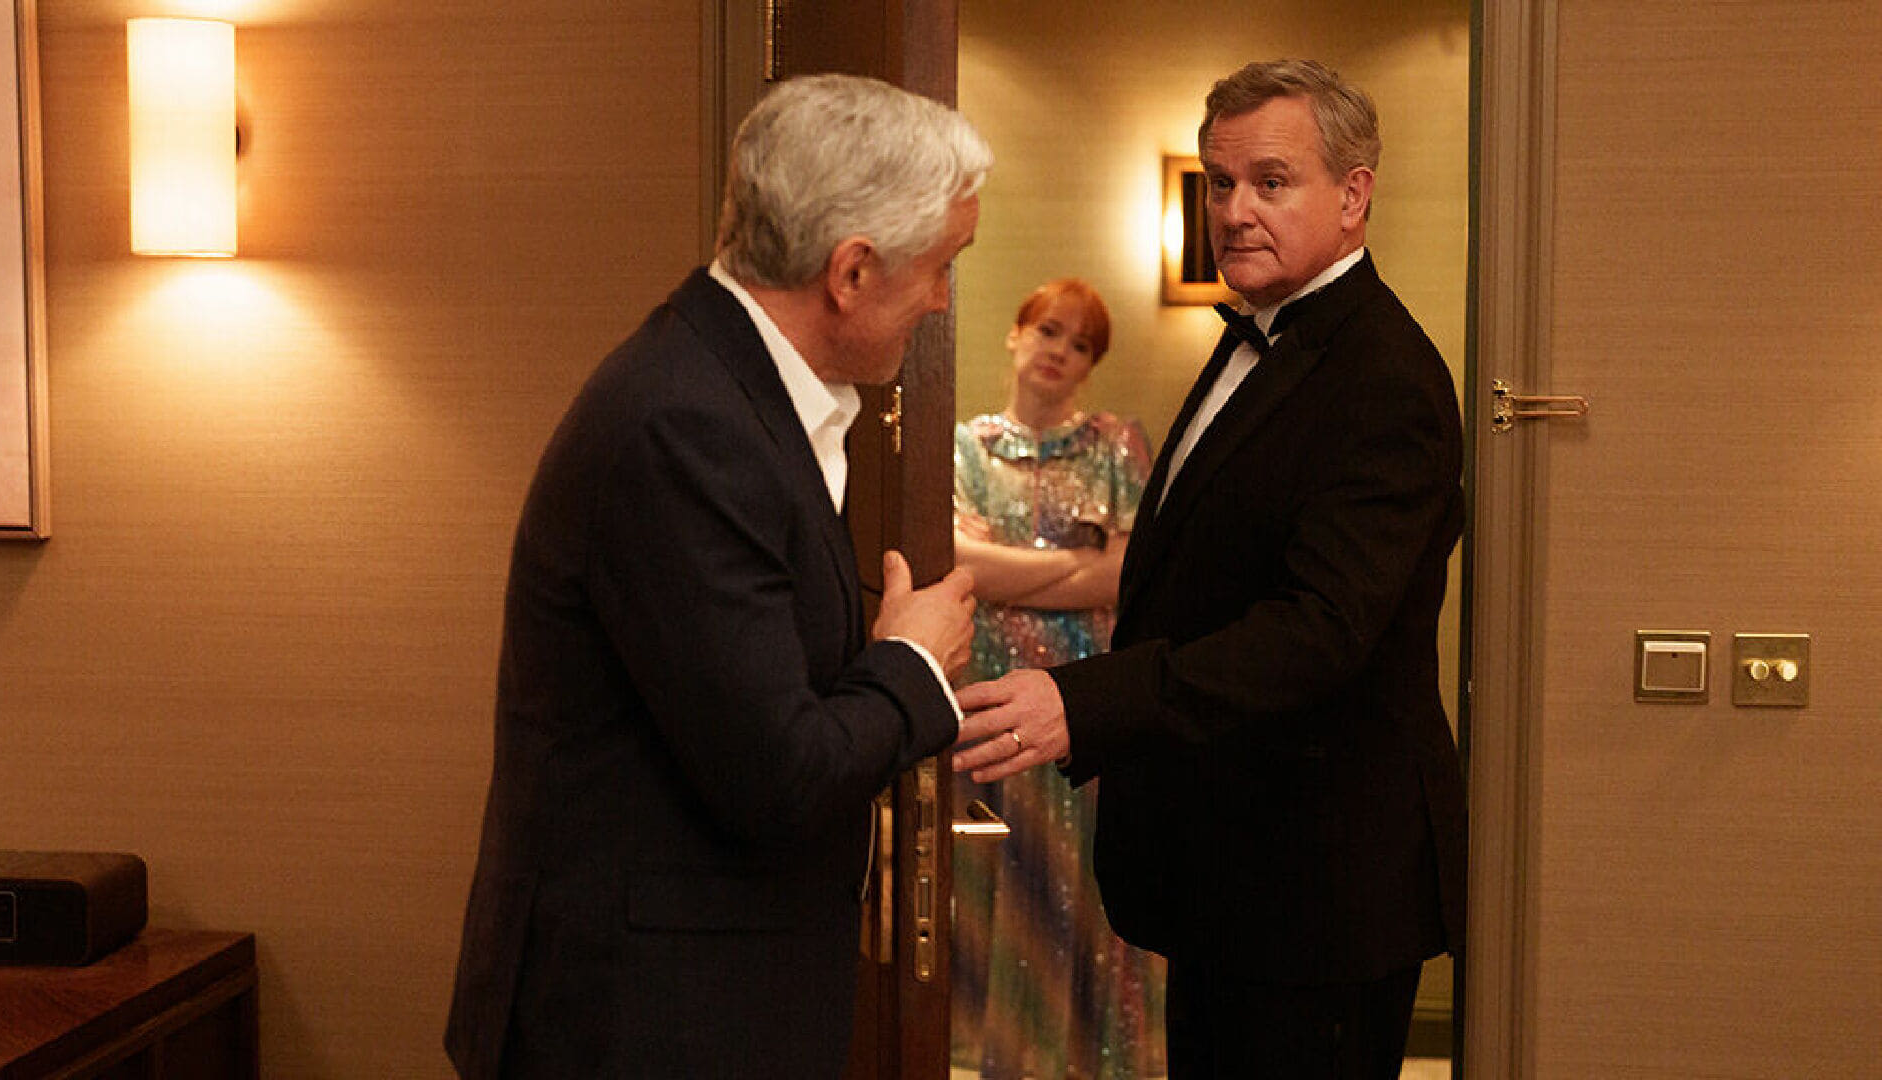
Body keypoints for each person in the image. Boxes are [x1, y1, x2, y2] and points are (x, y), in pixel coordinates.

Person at [445, 74, 991, 1080]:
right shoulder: (688, 424)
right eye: (941, 265)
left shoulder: (735, 390)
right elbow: (779, 777)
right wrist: (913, 665)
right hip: (645, 1022)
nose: (941, 300)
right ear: (853, 270)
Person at [953, 60, 1466, 1079]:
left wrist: (1087, 699)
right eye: (1219, 183)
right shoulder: (1260, 337)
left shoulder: (1386, 377)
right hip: (1235, 877)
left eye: (1271, 182)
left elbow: (1317, 632)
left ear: (1353, 195)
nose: (1234, 211)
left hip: (1316, 886)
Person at [947, 278, 1165, 1078]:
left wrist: (1008, 572)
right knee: (994, 875)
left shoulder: (1116, 444)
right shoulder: (966, 447)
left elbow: (1127, 577)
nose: (1060, 352)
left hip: (1086, 712)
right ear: (1015, 334)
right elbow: (961, 566)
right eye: (1048, 330)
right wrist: (1075, 564)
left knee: (1084, 884)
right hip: (986, 700)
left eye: (1080, 345)